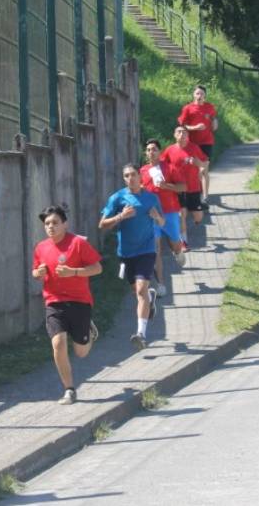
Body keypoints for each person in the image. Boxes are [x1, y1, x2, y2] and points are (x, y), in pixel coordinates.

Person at [32, 205, 103, 405]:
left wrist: (74, 272)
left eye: (55, 222)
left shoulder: (77, 243)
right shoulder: (41, 247)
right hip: (54, 301)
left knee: (81, 352)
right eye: (47, 224)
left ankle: (89, 331)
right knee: (58, 342)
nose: (50, 227)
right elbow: (35, 272)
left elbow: (97, 268)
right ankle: (69, 389)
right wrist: (39, 273)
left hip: (79, 301)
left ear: (65, 224)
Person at [99, 164, 165, 350]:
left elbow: (162, 221)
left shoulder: (151, 198)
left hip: (146, 250)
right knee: (137, 292)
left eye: (133, 175)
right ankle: (150, 300)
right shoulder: (117, 198)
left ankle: (141, 334)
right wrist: (121, 216)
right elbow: (102, 224)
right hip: (126, 253)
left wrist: (156, 218)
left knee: (141, 289)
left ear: (140, 176)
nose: (130, 179)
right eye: (126, 176)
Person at [140, 138, 187, 297]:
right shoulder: (143, 171)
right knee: (155, 250)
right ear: (146, 154)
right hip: (152, 215)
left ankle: (179, 252)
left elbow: (183, 187)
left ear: (159, 152)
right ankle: (160, 284)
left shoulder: (170, 168)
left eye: (154, 149)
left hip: (170, 213)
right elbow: (139, 190)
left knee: (175, 244)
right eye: (148, 150)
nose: (151, 152)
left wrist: (166, 186)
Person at [160, 126, 209, 251]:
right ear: (174, 135)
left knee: (198, 216)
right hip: (179, 188)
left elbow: (205, 162)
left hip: (193, 188)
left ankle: (197, 219)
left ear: (188, 136)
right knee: (181, 214)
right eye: (179, 132)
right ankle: (184, 242)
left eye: (184, 132)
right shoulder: (169, 150)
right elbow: (162, 165)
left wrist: (199, 164)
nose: (182, 134)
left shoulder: (194, 148)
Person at [177, 85, 217, 207]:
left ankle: (205, 197)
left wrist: (214, 123)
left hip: (207, 142)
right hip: (192, 143)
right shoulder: (188, 108)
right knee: (193, 169)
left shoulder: (210, 107)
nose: (200, 96)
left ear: (205, 96)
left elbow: (214, 120)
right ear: (194, 95)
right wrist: (195, 128)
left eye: (202, 94)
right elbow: (182, 126)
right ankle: (193, 194)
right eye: (197, 94)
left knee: (204, 169)